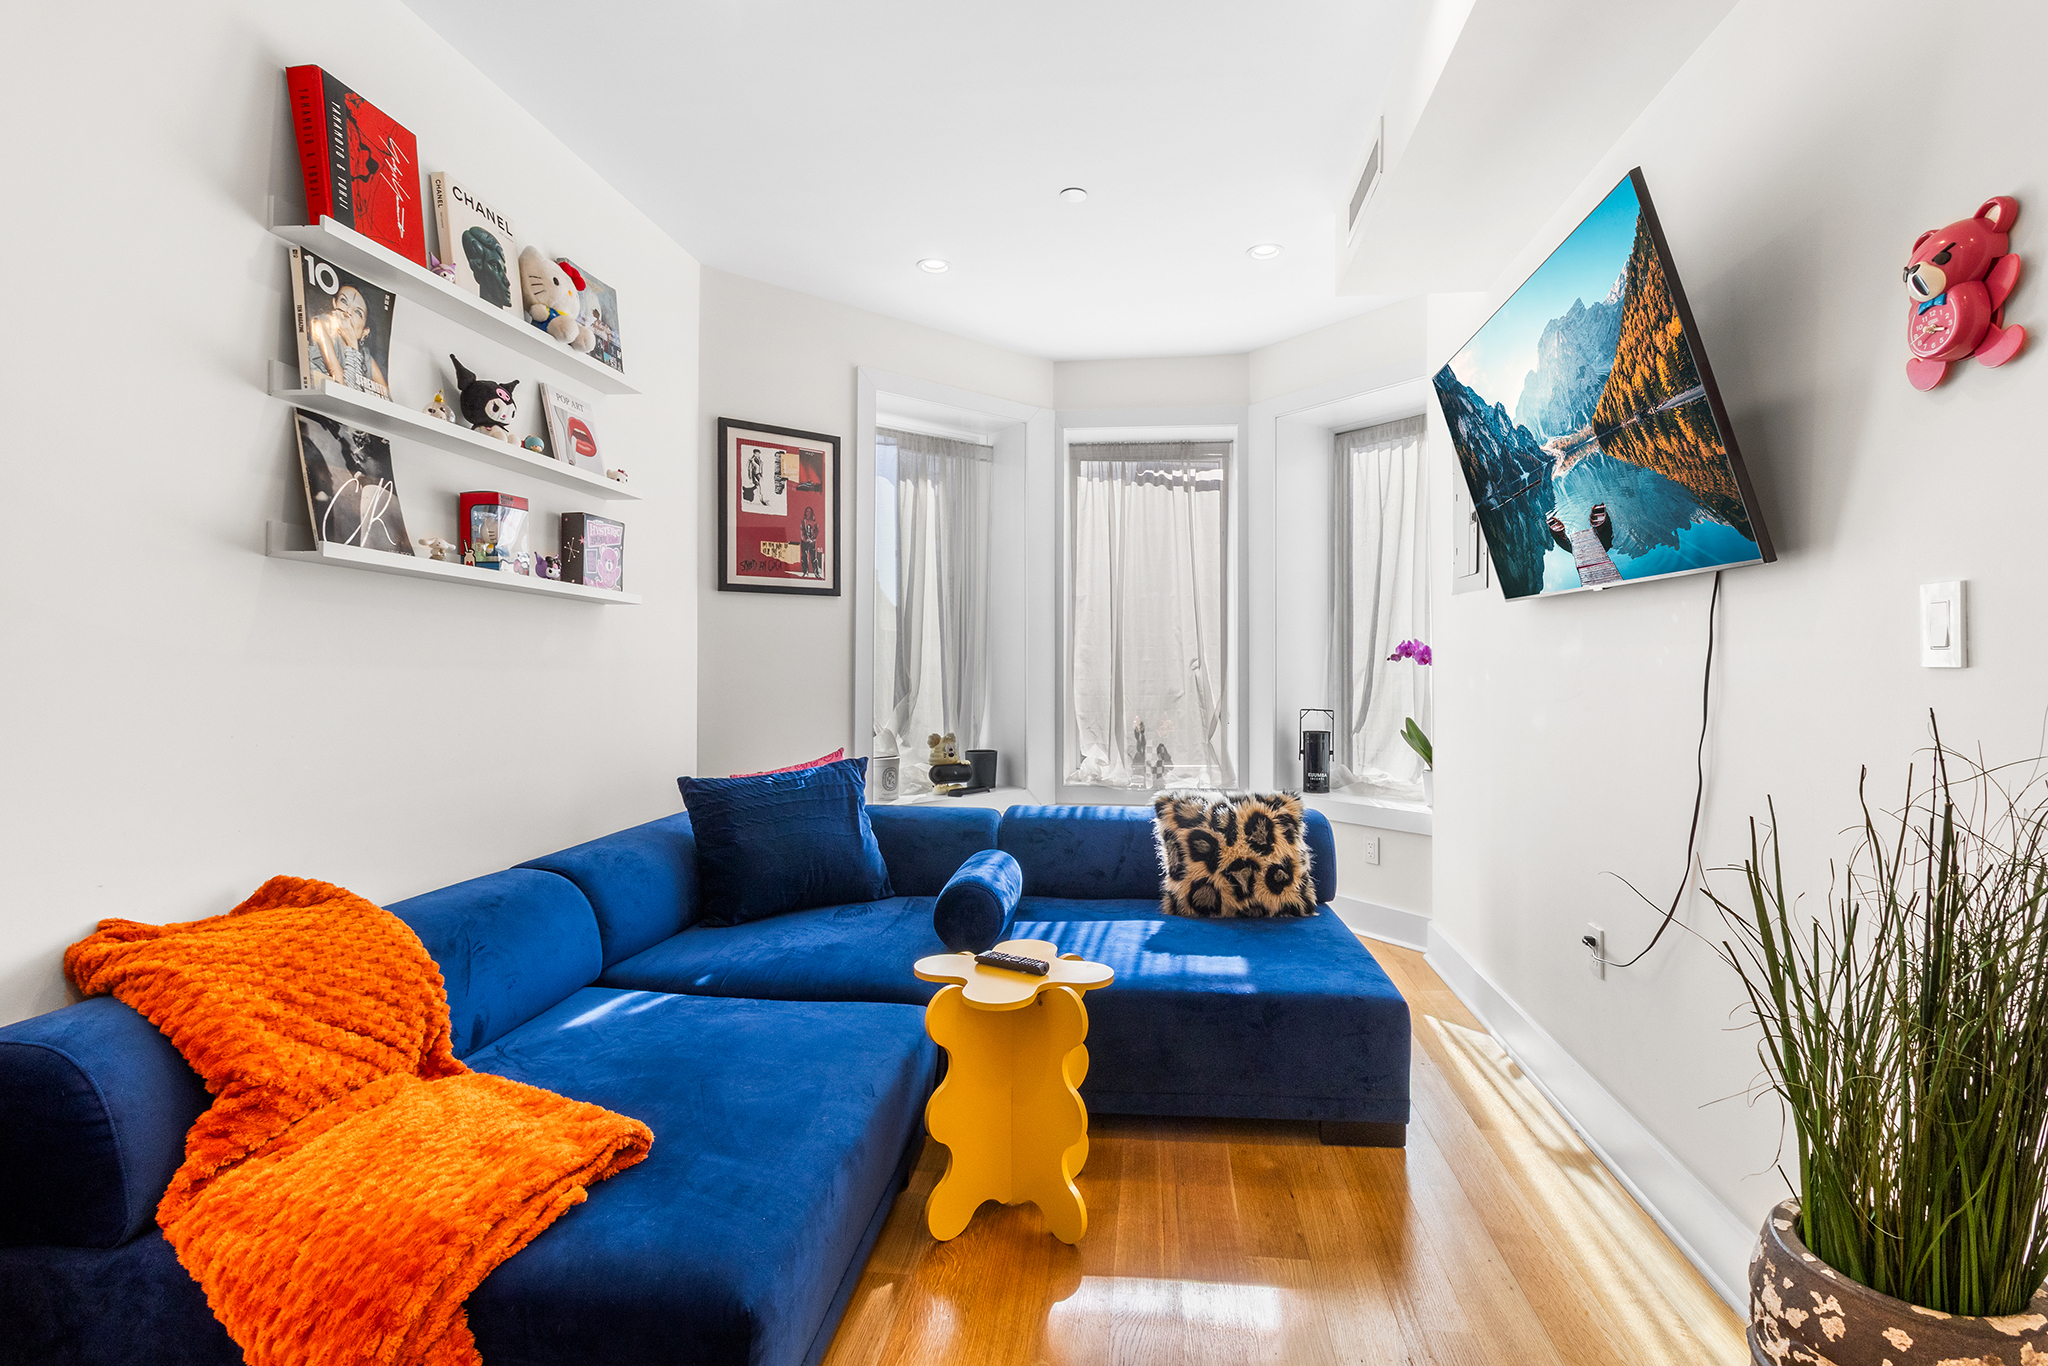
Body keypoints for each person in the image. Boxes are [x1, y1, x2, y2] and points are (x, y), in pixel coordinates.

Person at [309, 285, 389, 398]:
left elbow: (387, 399)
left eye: (358, 312)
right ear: (334, 304)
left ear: (364, 332)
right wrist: (352, 345)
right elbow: (342, 388)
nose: (348, 311)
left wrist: (352, 343)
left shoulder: (366, 356)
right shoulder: (320, 324)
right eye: (344, 301)